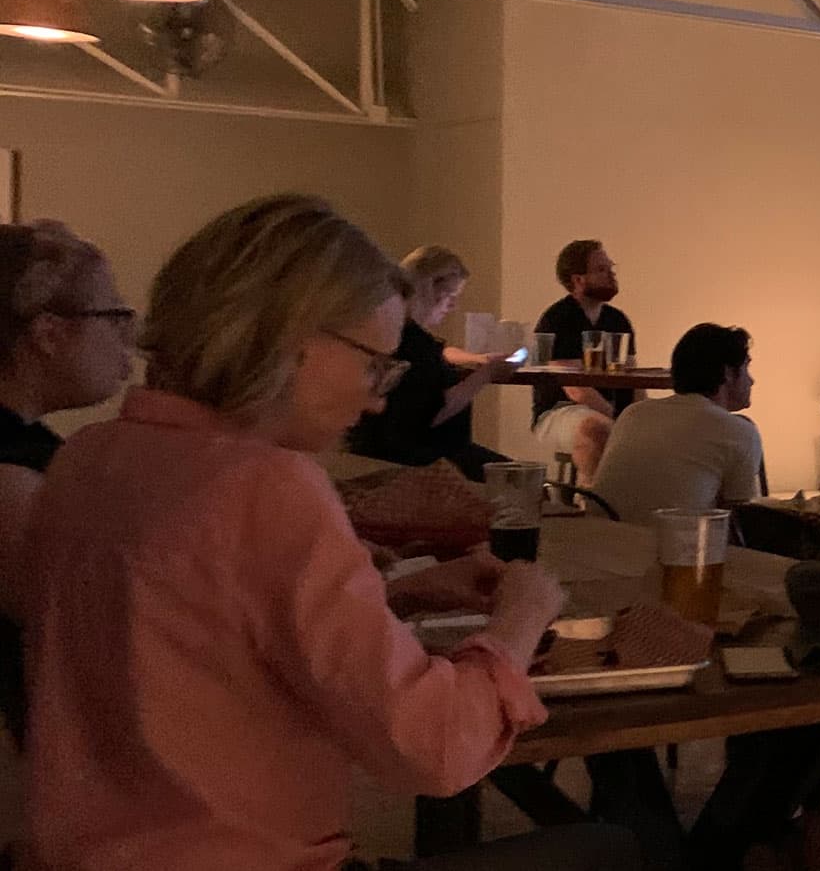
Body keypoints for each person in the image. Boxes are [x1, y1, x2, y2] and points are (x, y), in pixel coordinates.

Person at [22, 194, 636, 871]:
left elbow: (203, 642)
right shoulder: (267, 486)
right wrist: (520, 619)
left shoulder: (86, 460)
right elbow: (431, 749)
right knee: (620, 847)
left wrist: (394, 594)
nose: (378, 396)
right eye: (376, 364)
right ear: (296, 340)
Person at [0, 221, 135, 770]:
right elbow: (80, 637)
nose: (128, 338)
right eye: (113, 317)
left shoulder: (30, 448)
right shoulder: (11, 475)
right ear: (49, 333)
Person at [347, 245, 512, 477]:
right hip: (421, 457)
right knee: (518, 477)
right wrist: (486, 375)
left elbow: (440, 354)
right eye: (451, 296)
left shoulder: (393, 334)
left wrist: (477, 359)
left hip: (374, 450)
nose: (452, 306)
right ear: (429, 286)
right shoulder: (415, 344)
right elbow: (433, 413)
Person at [587, 323, 763, 521]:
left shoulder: (634, 413)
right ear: (728, 373)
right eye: (746, 367)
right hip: (669, 547)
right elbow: (743, 520)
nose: (752, 380)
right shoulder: (738, 432)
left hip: (599, 538)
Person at [530, 239, 634, 481]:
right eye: (601, 270)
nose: (611, 275)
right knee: (595, 430)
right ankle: (590, 502)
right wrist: (619, 419)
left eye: (611, 268)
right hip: (558, 411)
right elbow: (576, 389)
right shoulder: (557, 319)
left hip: (610, 412)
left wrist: (638, 416)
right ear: (578, 280)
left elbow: (632, 381)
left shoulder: (618, 321)